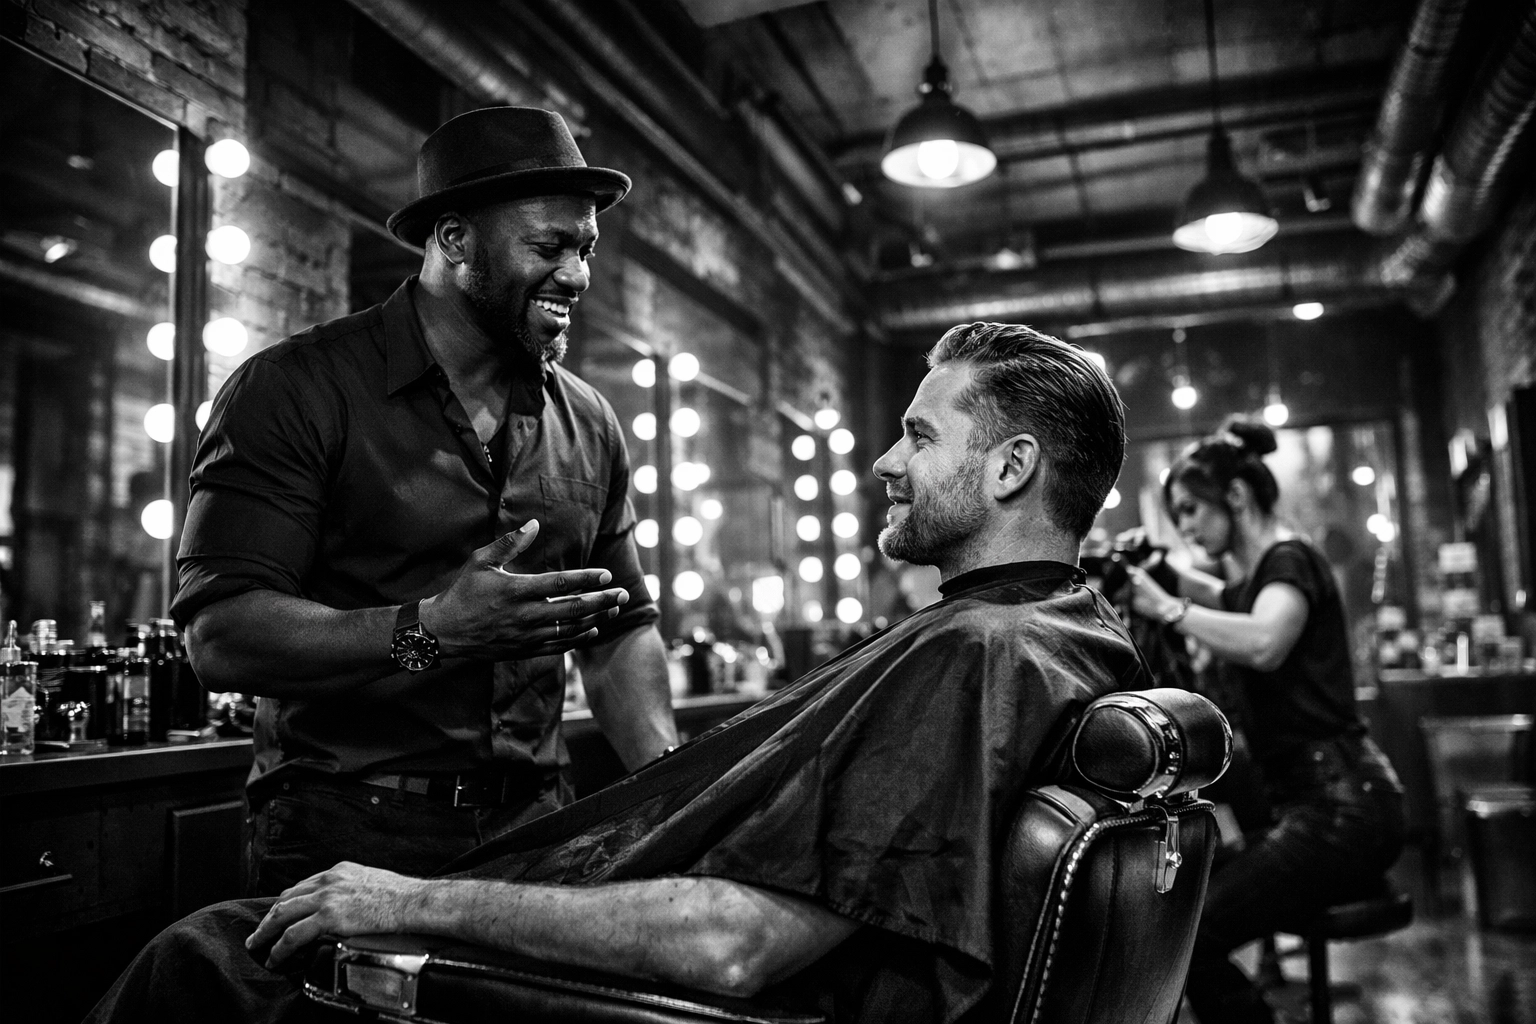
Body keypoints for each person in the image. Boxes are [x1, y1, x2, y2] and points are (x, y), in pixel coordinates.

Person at [87, 322, 1142, 1024]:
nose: (884, 461)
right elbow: (222, 633)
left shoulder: (972, 654)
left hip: (664, 989)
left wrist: (416, 900)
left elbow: (731, 943)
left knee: (208, 958)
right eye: (551, 241)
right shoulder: (1059, 637)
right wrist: (682, 792)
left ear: (1011, 467)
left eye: (918, 435)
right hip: (357, 807)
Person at [175, 106, 677, 895]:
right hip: (346, 827)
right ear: (454, 240)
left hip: (538, 831)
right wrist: (429, 631)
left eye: (584, 248)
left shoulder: (590, 421)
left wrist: (676, 793)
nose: (577, 274)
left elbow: (619, 632)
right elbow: (222, 637)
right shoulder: (296, 390)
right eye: (548, 247)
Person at [1126, 418, 1404, 1024]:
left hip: (1344, 810)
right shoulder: (1262, 576)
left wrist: (1169, 607)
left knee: (1188, 935)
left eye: (1191, 510)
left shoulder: (1290, 560)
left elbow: (1263, 642)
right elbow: (1221, 597)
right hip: (1317, 805)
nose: (1186, 527)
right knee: (1177, 915)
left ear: (1236, 496)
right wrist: (1160, 575)